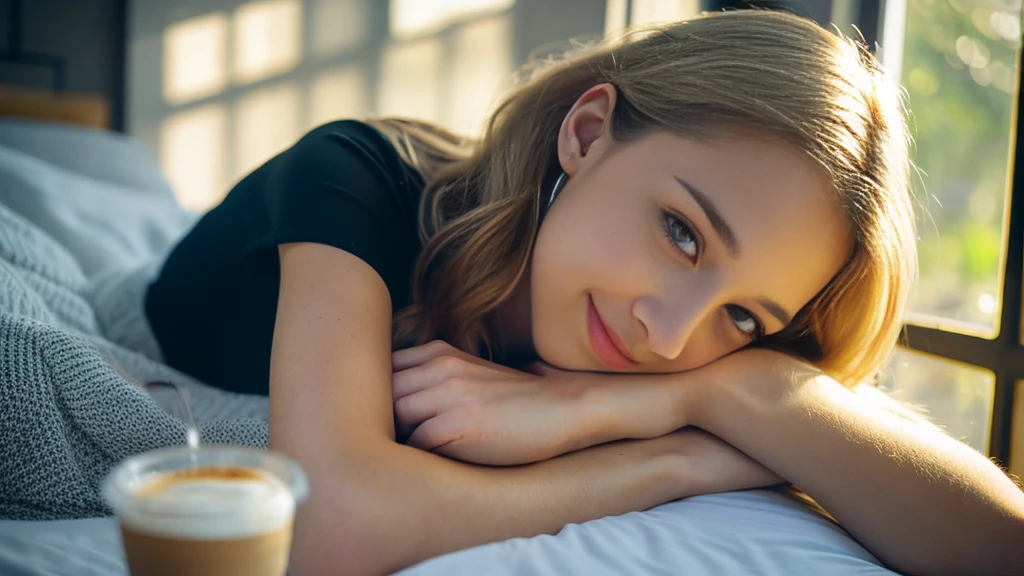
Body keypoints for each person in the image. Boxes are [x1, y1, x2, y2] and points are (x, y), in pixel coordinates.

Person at [144, 9, 1024, 576]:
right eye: (682, 231)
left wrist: (719, 389)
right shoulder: (355, 180)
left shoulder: (692, 363)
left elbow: (1000, 543)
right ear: (588, 131)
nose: (668, 334)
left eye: (744, 315)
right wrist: (671, 457)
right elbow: (329, 524)